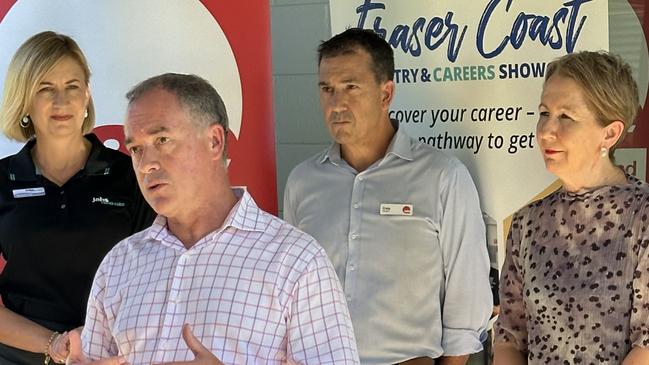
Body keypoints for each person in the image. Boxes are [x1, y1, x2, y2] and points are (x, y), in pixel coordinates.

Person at [68, 73, 359, 365]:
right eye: (136, 149)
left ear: (214, 141)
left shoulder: (296, 261)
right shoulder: (118, 264)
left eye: (163, 139)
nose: (146, 165)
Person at [283, 28, 492, 365]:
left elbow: (467, 299)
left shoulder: (442, 177)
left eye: (351, 87)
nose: (336, 104)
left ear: (386, 94)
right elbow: (291, 288)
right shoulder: (302, 181)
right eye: (327, 89)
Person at [0, 31, 154, 364]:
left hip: (114, 355)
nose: (61, 101)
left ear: (87, 96)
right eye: (45, 88)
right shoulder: (1, 180)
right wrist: (54, 343)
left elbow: (160, 279)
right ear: (24, 100)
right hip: (20, 356)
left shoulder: (131, 177)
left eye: (72, 86)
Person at [493, 51, 649, 364]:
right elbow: (510, 336)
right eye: (543, 113)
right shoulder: (527, 223)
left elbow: (646, 345)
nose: (546, 130)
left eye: (566, 117)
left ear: (610, 133)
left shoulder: (641, 216)